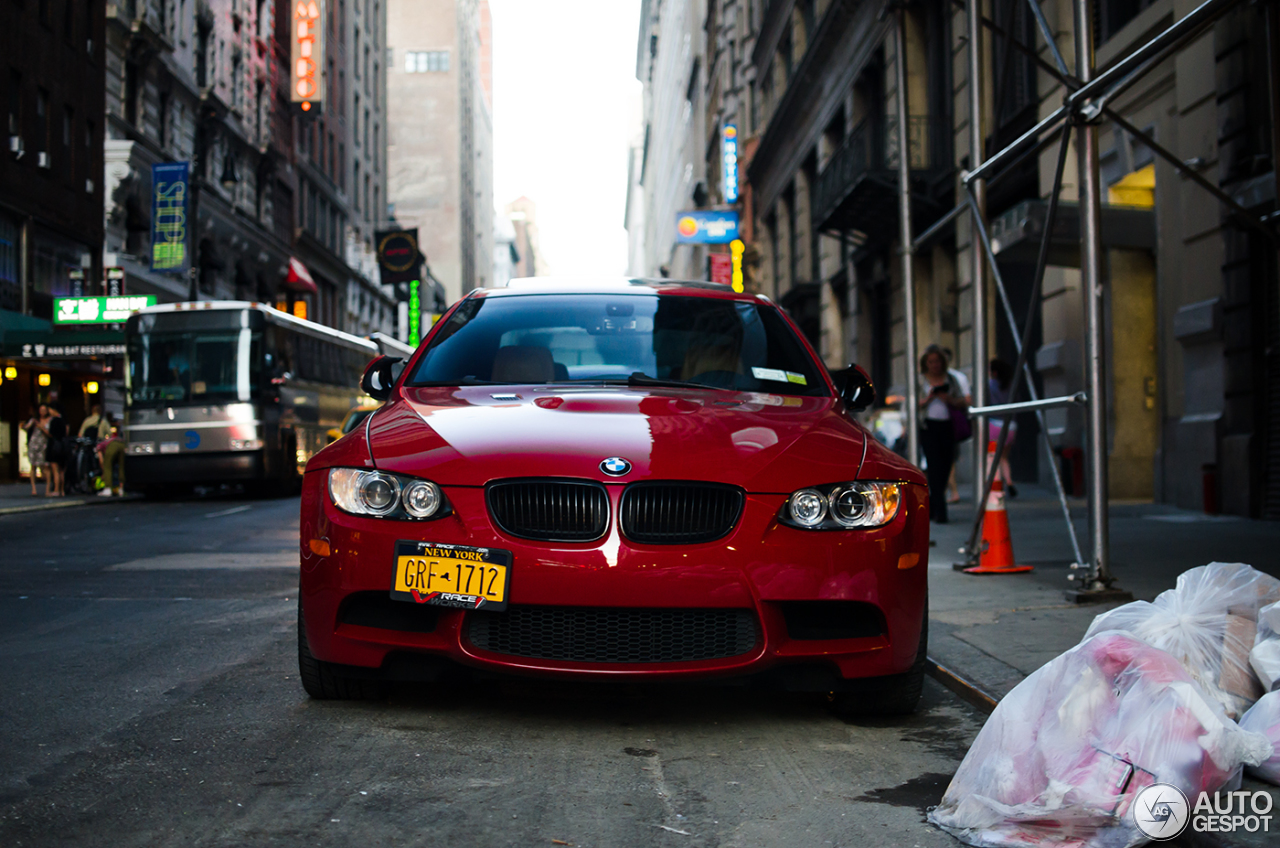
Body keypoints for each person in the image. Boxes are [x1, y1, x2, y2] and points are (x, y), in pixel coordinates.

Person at [918, 344, 969, 523]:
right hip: (928, 427)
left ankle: (934, 503)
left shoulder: (952, 379)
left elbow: (964, 401)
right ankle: (940, 509)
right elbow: (913, 404)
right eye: (931, 362)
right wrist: (929, 398)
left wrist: (949, 399)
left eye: (938, 361)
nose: (935, 365)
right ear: (926, 364)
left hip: (948, 426)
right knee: (934, 465)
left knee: (946, 465)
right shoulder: (921, 380)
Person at [988, 358, 1018, 497]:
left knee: (993, 456)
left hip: (994, 423)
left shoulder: (990, 385)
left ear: (994, 372)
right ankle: (1009, 481)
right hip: (1011, 424)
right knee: (1004, 457)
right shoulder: (1012, 386)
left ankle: (996, 483)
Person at [23, 404, 52, 496]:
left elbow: (50, 434)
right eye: (41, 410)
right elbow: (26, 427)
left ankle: (47, 489)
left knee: (45, 466)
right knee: (33, 465)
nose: (42, 412)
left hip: (43, 445)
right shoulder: (34, 420)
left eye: (44, 410)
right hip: (34, 444)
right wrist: (24, 426)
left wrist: (41, 428)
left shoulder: (50, 421)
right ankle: (33, 489)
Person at [96, 413, 126, 497]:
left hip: (111, 446)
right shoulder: (115, 434)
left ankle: (107, 489)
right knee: (121, 467)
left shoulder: (99, 445)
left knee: (107, 467)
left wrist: (103, 472)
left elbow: (102, 461)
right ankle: (121, 489)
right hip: (122, 444)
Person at [45, 406, 68, 497]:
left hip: (54, 447)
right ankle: (62, 490)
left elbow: (50, 434)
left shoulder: (54, 421)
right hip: (63, 447)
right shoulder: (63, 420)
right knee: (62, 470)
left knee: (55, 470)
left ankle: (56, 490)